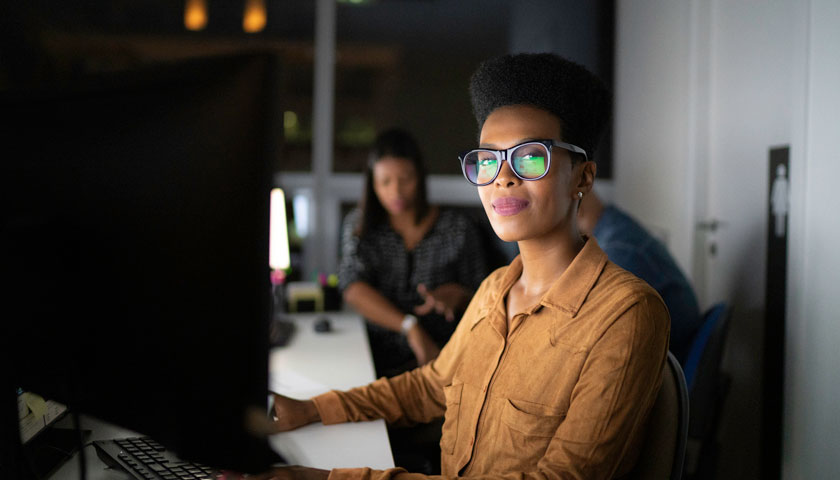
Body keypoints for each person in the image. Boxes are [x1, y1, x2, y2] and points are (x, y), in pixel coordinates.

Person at [268, 53, 670, 480]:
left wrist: (322, 478)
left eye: (530, 157)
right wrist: (312, 408)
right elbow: (430, 386)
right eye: (487, 160)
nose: (503, 177)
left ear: (583, 178)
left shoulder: (625, 315)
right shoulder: (496, 288)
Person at [338, 127, 490, 379]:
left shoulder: (457, 227)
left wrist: (459, 295)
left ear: (420, 176)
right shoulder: (360, 226)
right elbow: (352, 287)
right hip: (373, 357)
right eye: (385, 182)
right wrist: (410, 327)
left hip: (446, 358)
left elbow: (485, 293)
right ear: (372, 183)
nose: (396, 192)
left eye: (405, 179)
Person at [578, 191, 702, 362]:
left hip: (668, 366)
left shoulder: (619, 254)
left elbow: (602, 345)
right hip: (674, 355)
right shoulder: (616, 226)